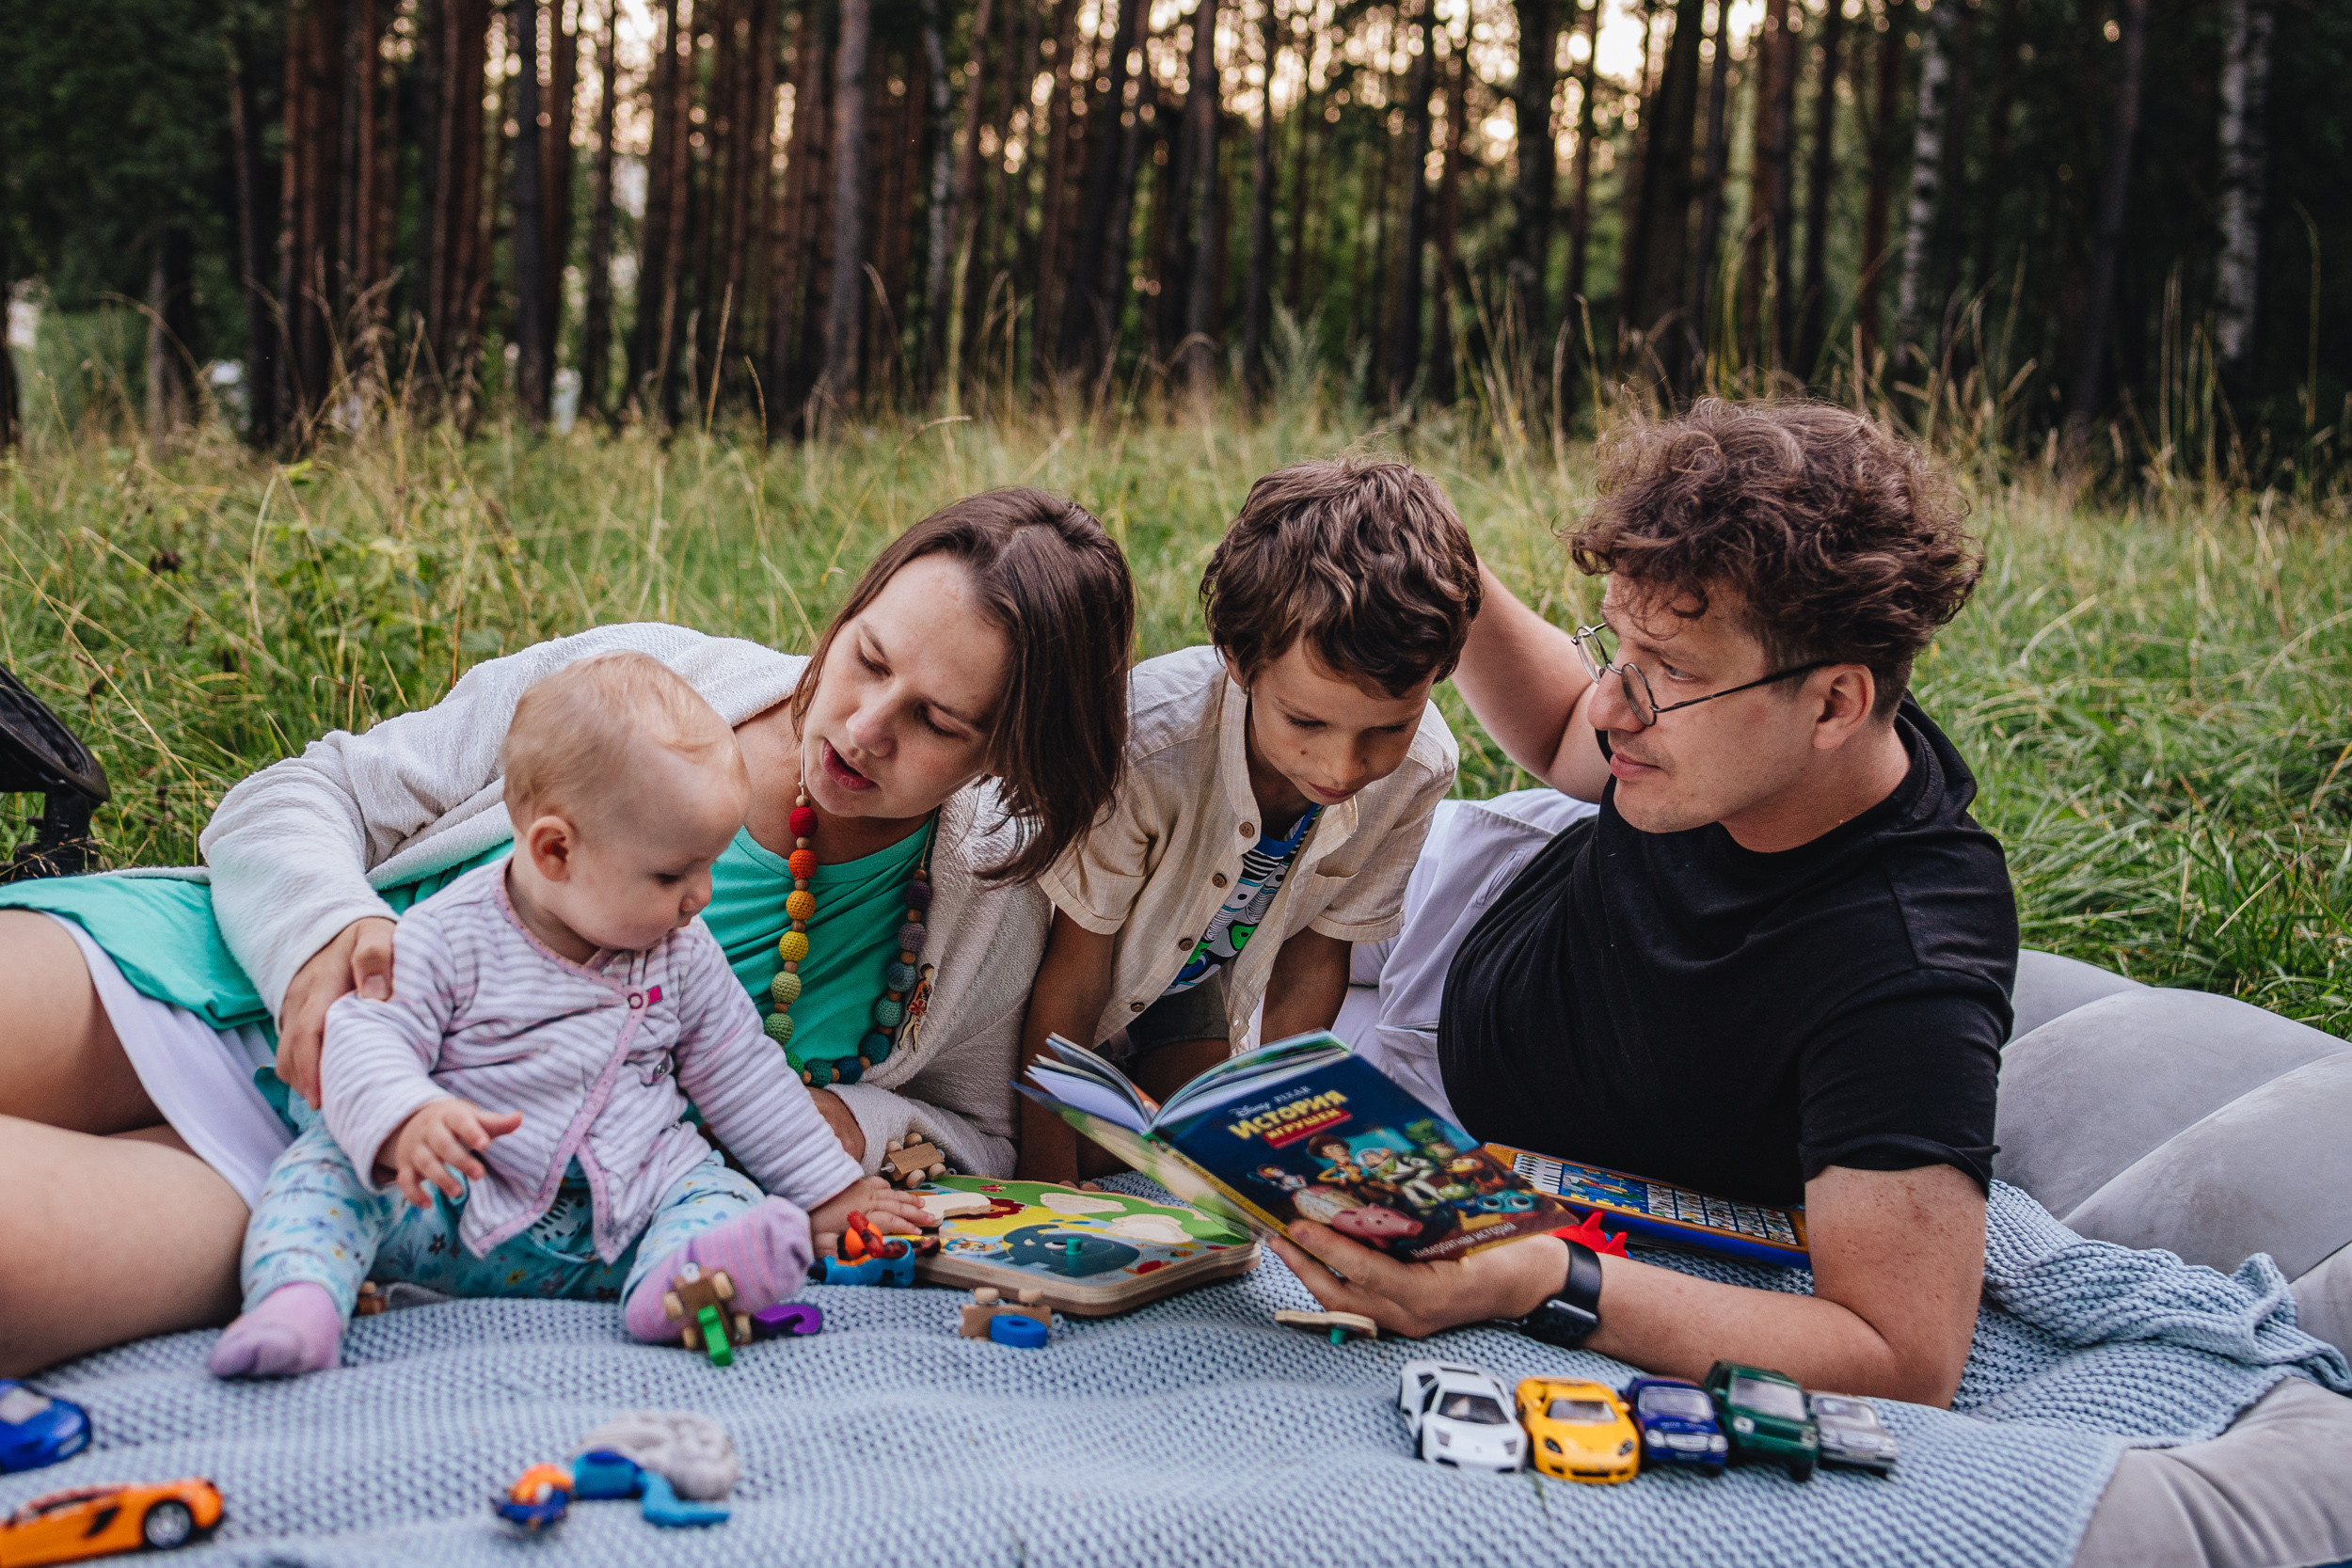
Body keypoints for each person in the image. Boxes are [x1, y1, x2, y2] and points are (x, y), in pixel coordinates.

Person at [0, 489, 1135, 1376]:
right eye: (868, 657)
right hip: (209, 970)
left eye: (937, 720)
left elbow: (979, 1135)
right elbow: (297, 793)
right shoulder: (637, 682)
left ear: (1005, 750)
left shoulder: (986, 892)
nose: (862, 725)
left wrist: (844, 1122)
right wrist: (319, 934)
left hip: (375, 1178)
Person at [1273, 402, 2014, 1406]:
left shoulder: (1905, 960)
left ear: (1835, 703)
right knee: (1188, 896)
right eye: (1619, 647)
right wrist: (1441, 550)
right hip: (1473, 897)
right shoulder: (1731, 731)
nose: (1614, 704)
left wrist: (1547, 1276)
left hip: (1455, 1107)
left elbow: (1901, 1354)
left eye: (1670, 672)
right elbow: (1561, 733)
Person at [209, 655, 931, 1378]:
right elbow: (367, 1033)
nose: (700, 896)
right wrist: (405, 1118)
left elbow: (743, 1071)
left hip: (619, 1212)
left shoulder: (679, 951)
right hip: (452, 1201)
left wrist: (825, 1189)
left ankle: (678, 1284)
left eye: (708, 866)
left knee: (720, 1192)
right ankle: (298, 1299)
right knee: (327, 1168)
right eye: (671, 875)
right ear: (556, 850)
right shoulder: (450, 934)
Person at [1015, 459, 1473, 1183]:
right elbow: (1071, 976)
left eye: (1387, 727)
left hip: (1191, 980)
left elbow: (1315, 960)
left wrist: (1290, 1151)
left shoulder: (1419, 768)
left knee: (1209, 1154)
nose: (1342, 766)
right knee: (1039, 1141)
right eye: (1306, 720)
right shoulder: (1148, 746)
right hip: (1049, 978)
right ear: (1238, 659)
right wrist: (1048, 1184)